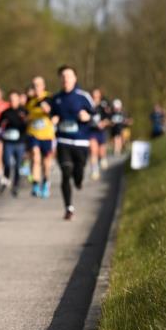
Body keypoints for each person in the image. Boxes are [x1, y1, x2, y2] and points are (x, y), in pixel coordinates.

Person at [49, 66, 95, 220]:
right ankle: (69, 208)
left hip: (81, 141)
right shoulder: (56, 99)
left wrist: (87, 116)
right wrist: (53, 119)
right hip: (63, 141)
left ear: (75, 78)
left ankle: (79, 180)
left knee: (78, 174)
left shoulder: (83, 97)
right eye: (62, 76)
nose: (65, 79)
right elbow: (52, 115)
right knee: (65, 172)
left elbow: (97, 116)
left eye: (68, 76)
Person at [25, 76, 56, 198]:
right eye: (34, 85)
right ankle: (35, 184)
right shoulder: (30, 101)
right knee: (35, 156)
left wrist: (47, 109)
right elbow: (27, 115)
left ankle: (46, 182)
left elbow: (53, 112)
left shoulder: (49, 97)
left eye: (38, 85)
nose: (36, 88)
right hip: (33, 134)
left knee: (46, 162)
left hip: (47, 135)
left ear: (43, 86)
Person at [0, 90, 27, 196]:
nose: (13, 101)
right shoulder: (5, 113)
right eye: (11, 99)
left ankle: (16, 185)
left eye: (15, 99)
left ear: (19, 99)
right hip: (8, 142)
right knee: (7, 163)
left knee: (18, 165)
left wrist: (25, 121)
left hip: (20, 142)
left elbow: (28, 126)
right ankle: (6, 180)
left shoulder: (24, 111)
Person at [87, 88, 110, 180]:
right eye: (93, 94)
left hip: (101, 131)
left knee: (101, 151)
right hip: (91, 131)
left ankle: (103, 158)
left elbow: (109, 118)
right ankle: (94, 170)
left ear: (100, 95)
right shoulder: (88, 105)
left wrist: (103, 123)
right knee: (93, 151)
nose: (95, 96)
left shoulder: (103, 105)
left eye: (97, 94)